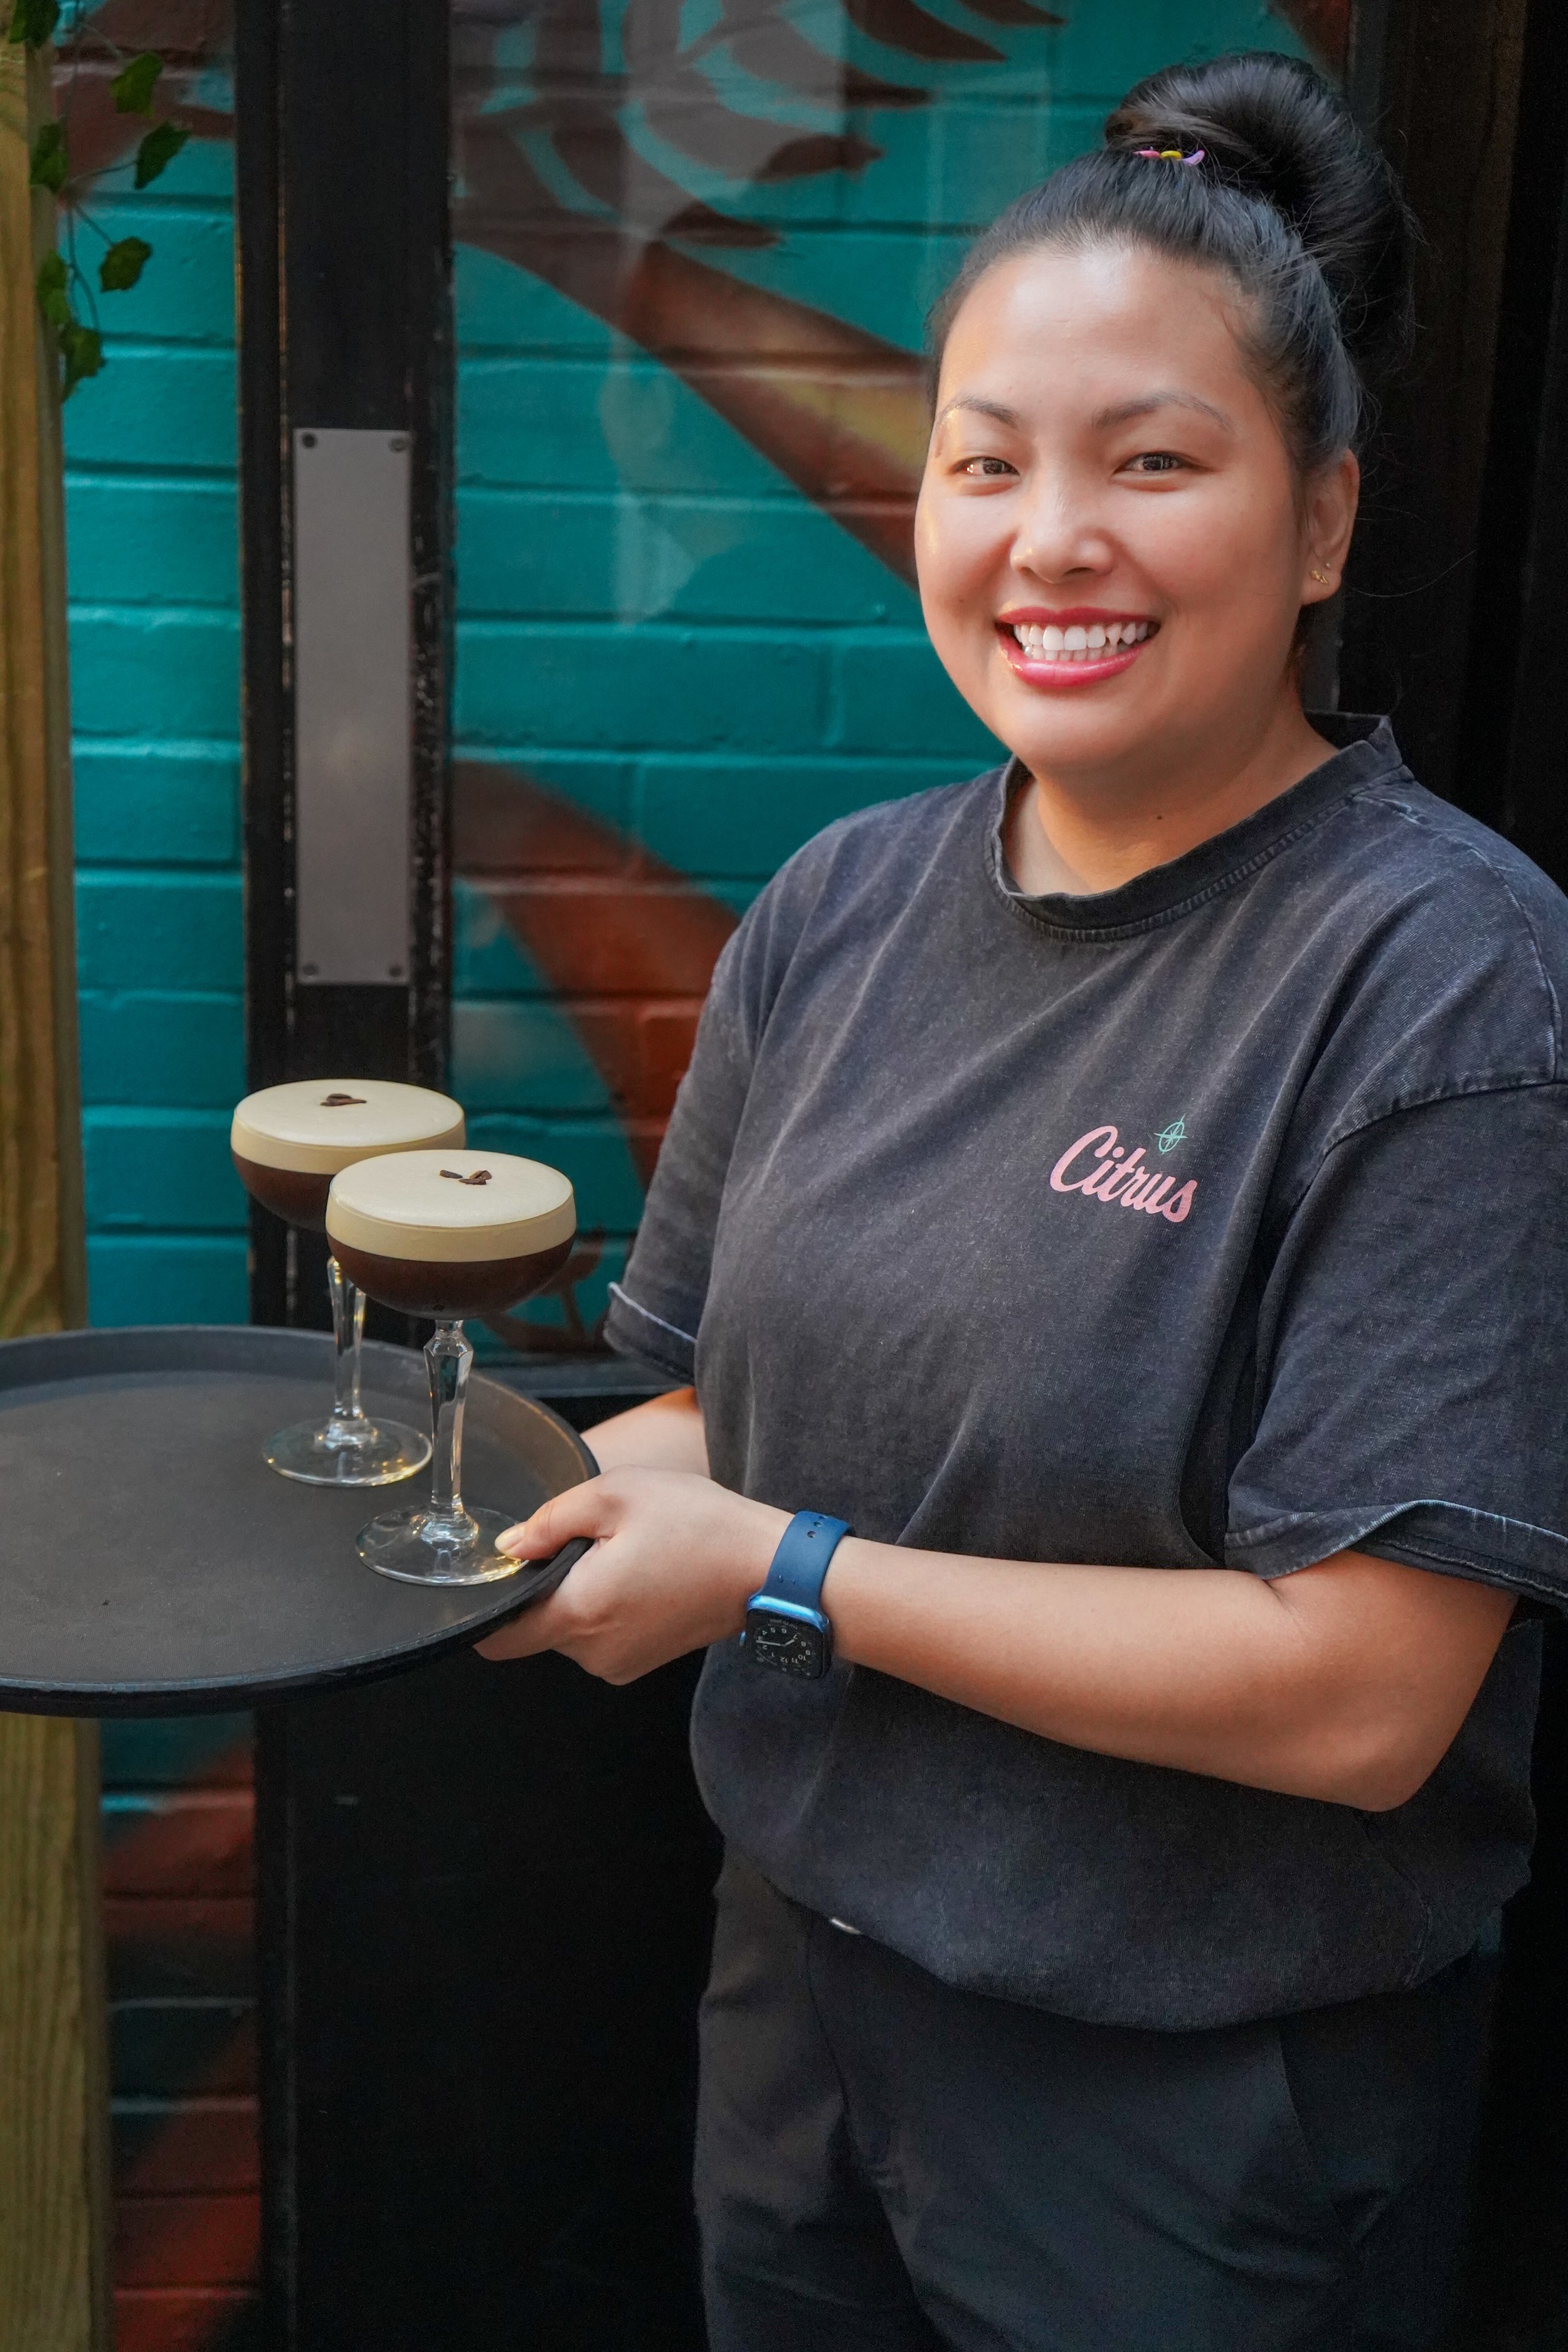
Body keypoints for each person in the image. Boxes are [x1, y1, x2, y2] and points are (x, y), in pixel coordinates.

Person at [477, 50, 1568, 2351]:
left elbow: (1363, 1695)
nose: (1044, 536)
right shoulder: (841, 906)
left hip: (1182, 2110)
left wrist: (771, 1573)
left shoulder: (1440, 979)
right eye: (981, 462)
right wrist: (475, 1529)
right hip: (805, 1985)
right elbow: (697, 1412)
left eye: (1150, 462)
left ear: (1325, 519)